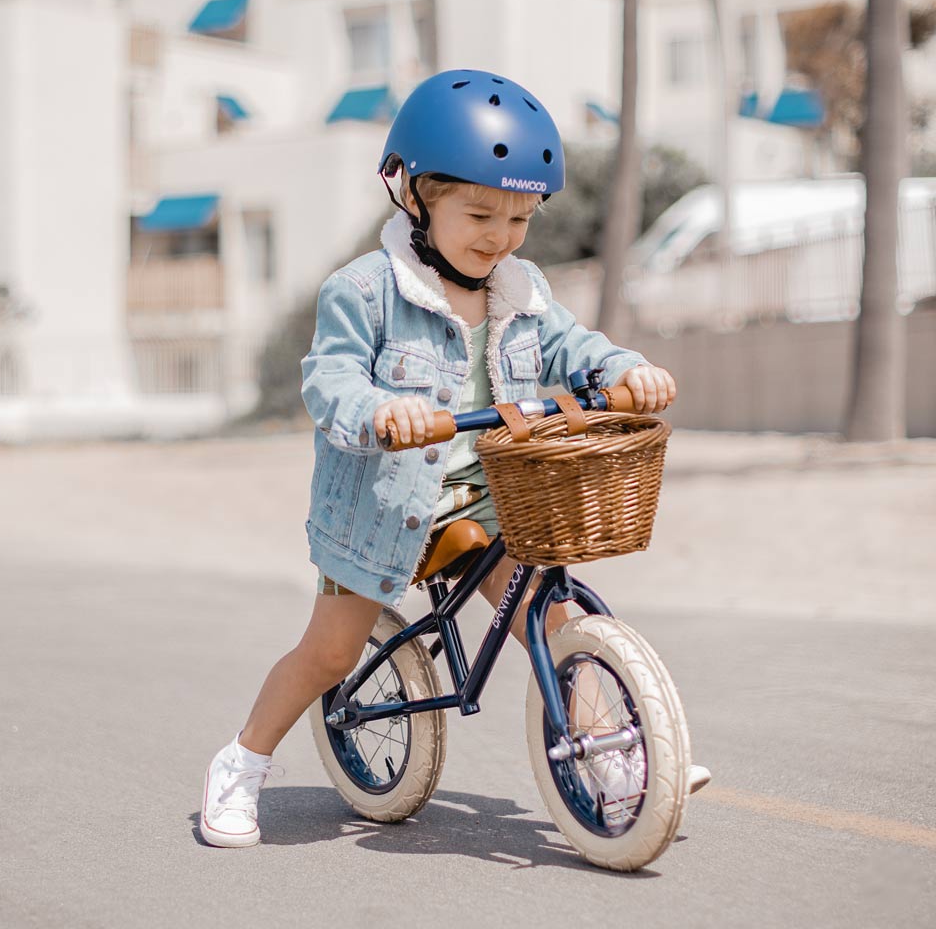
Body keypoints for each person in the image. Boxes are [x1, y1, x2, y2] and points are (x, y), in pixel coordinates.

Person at [200, 69, 709, 848]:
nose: (499, 236)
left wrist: (620, 371)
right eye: (478, 212)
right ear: (413, 194)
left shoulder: (522, 287)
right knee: (331, 651)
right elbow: (328, 379)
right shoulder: (365, 291)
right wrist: (381, 410)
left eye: (519, 218)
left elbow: (574, 346)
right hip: (380, 508)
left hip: (489, 497)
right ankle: (241, 764)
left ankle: (615, 756)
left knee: (556, 610)